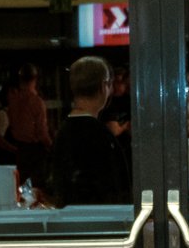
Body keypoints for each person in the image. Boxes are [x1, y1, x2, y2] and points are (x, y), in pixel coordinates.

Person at [51, 56, 130, 206]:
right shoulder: (102, 135)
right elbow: (116, 189)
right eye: (110, 84)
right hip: (100, 217)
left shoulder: (63, 131)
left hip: (70, 216)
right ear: (103, 86)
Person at [6, 62, 53, 195]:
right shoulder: (37, 102)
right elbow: (41, 132)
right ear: (35, 80)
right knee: (37, 188)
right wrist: (51, 146)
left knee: (23, 187)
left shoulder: (13, 100)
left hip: (20, 149)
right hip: (35, 150)